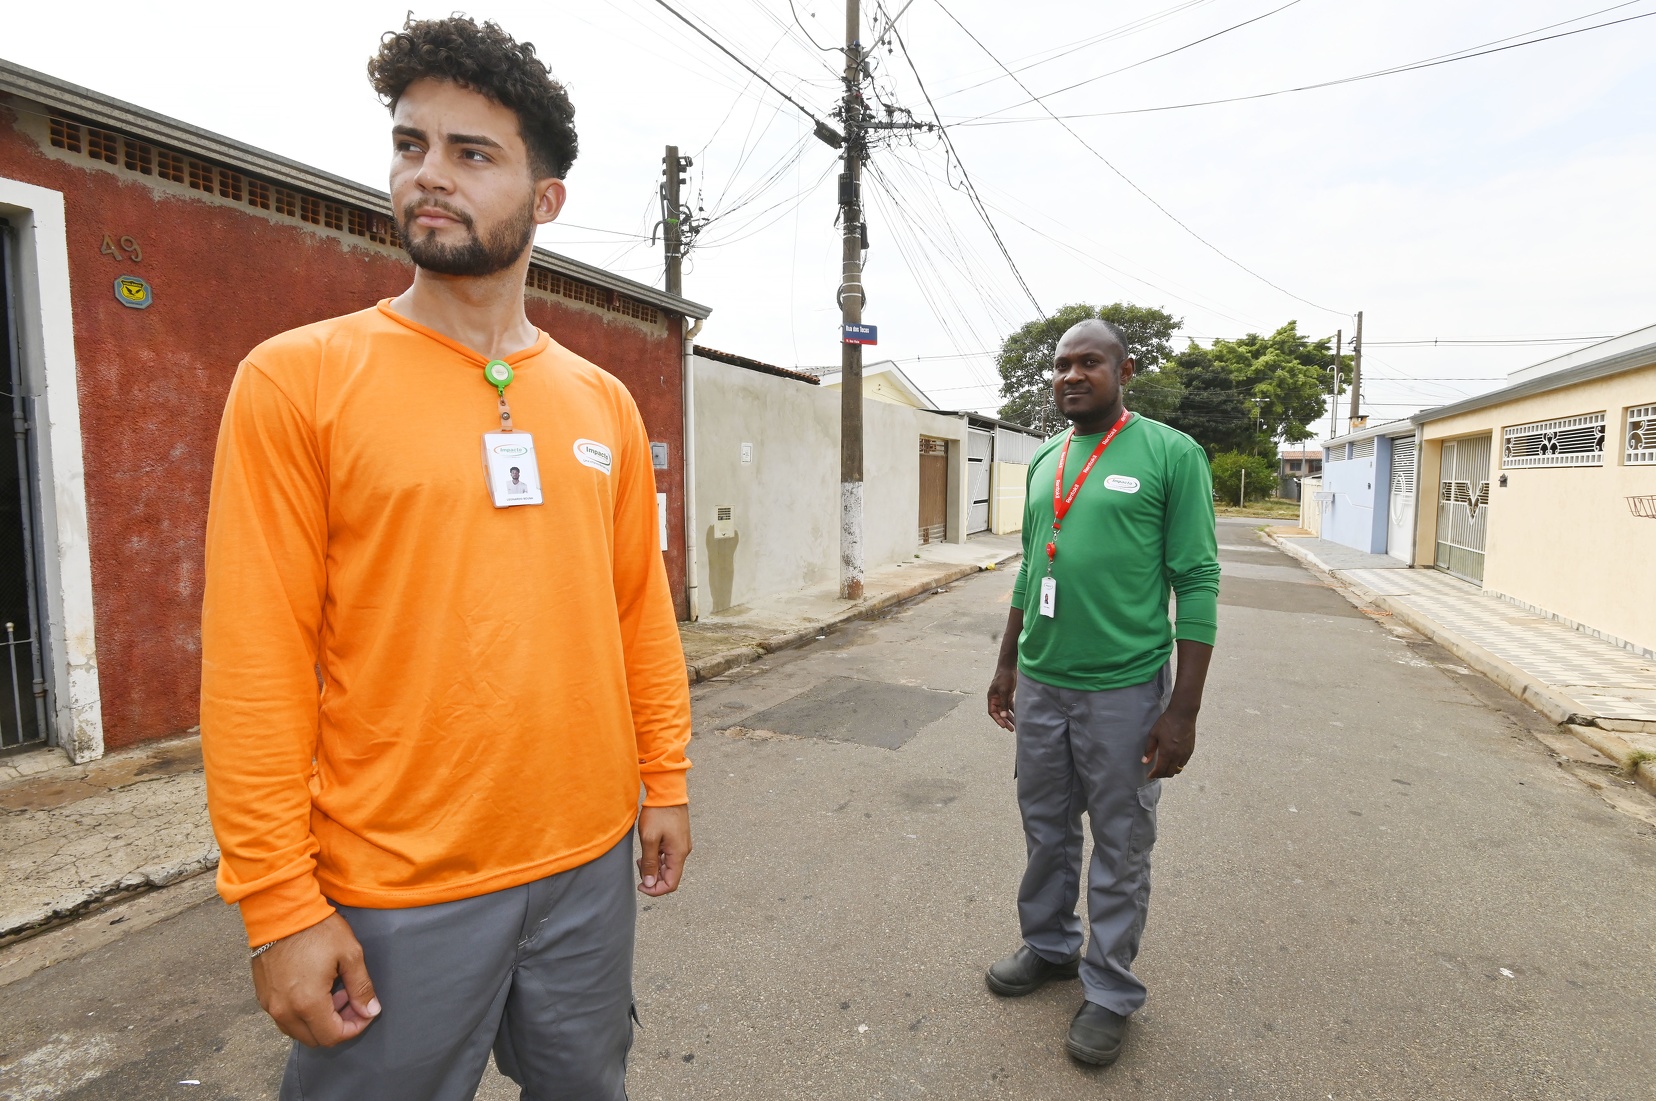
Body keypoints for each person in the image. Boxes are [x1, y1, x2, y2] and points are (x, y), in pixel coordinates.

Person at [199, 17, 691, 1100]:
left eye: (472, 154)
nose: (430, 176)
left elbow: (635, 615)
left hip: (587, 866)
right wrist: (279, 902)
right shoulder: (297, 381)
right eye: (410, 145)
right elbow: (254, 662)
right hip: (396, 886)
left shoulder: (600, 400)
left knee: (587, 1085)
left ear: (544, 198)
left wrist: (665, 780)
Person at [983, 318, 1219, 1066]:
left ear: (1124, 369)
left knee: (1120, 842)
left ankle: (1110, 987)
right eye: (1060, 365)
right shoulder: (1047, 457)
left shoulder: (1171, 455)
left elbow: (1198, 581)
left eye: (1088, 362)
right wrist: (1008, 659)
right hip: (1045, 682)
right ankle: (1050, 944)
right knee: (1045, 824)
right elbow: (1029, 565)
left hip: (1126, 688)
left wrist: (1181, 708)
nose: (1070, 375)